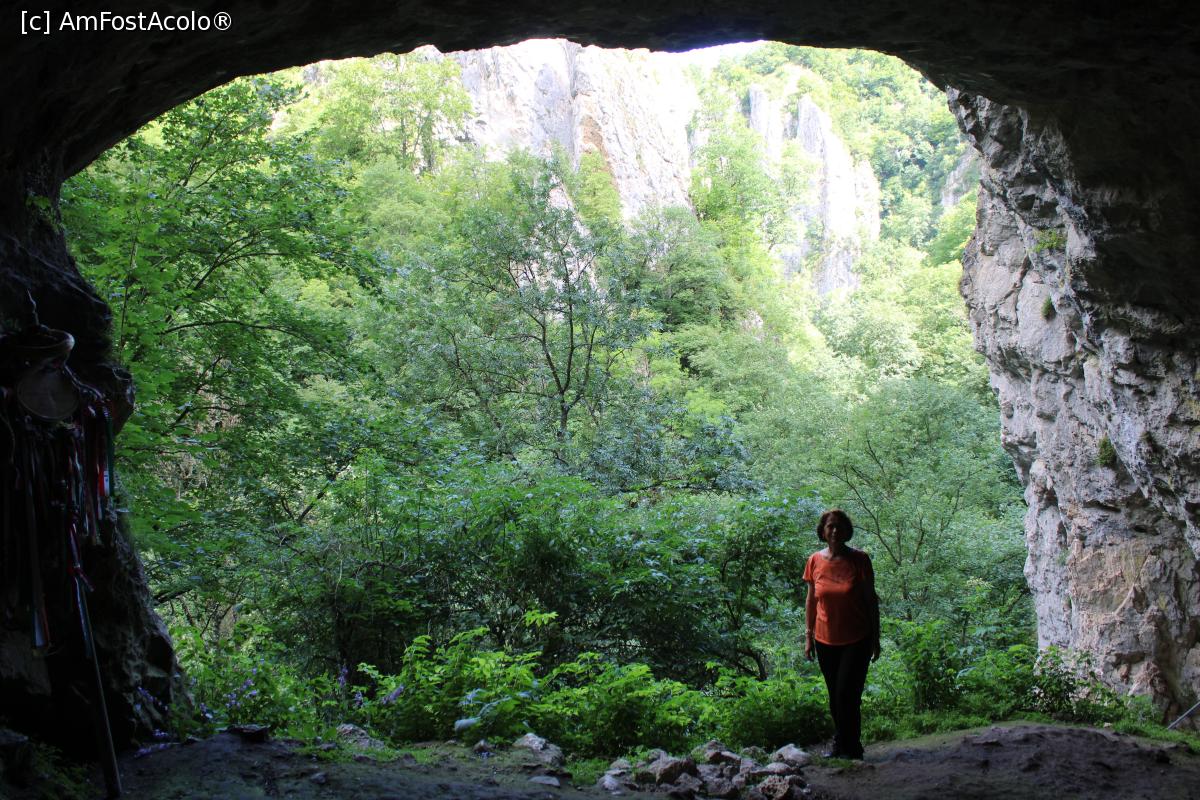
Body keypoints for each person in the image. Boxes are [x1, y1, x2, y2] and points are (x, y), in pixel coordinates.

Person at [803, 508, 880, 760]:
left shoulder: (860, 560)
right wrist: (808, 636)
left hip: (857, 637)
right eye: (830, 526)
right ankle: (842, 743)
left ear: (847, 530)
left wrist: (876, 638)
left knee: (848, 694)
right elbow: (811, 601)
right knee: (835, 696)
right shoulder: (814, 560)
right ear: (823, 531)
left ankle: (852, 746)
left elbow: (871, 600)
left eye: (839, 526)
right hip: (825, 639)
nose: (835, 530)